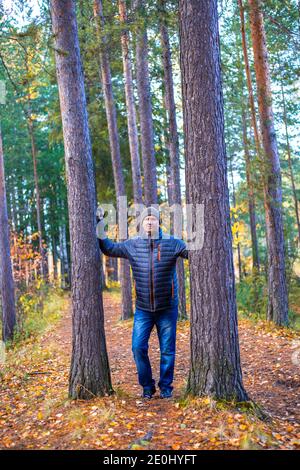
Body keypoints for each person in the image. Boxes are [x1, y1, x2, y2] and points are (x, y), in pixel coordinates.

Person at [96, 206, 188, 400]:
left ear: (158, 222)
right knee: (138, 347)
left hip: (167, 308)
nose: (149, 222)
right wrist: (99, 223)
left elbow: (195, 254)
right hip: (143, 309)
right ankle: (147, 386)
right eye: (145, 219)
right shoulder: (133, 244)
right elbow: (109, 248)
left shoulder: (173, 243)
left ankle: (166, 388)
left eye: (152, 219)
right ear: (141, 223)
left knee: (167, 351)